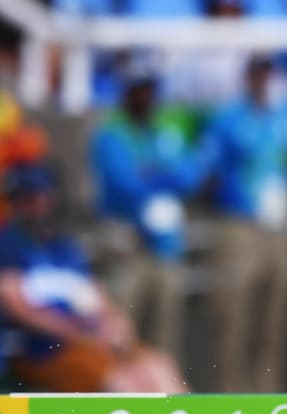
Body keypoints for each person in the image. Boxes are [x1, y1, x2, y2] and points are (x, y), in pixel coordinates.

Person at [0, 163, 185, 393]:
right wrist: (80, 332)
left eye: (44, 197)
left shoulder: (64, 246)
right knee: (123, 384)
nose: (40, 205)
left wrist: (114, 322)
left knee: (157, 367)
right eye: (30, 198)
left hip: (93, 338)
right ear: (17, 202)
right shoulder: (8, 246)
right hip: (48, 349)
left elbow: (94, 294)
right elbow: (17, 304)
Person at [90, 54, 204, 366]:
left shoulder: (164, 133)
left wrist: (154, 175)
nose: (145, 97)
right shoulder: (111, 135)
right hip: (129, 245)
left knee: (165, 334)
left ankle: (163, 403)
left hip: (166, 246)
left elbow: (190, 175)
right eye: (138, 90)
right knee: (121, 329)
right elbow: (122, 183)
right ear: (126, 93)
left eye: (149, 90)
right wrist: (162, 177)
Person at [201, 55, 287, 392]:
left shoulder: (282, 119)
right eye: (256, 74)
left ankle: (268, 399)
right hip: (240, 227)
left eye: (267, 74)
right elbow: (206, 167)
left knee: (272, 321)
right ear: (247, 78)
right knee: (233, 319)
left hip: (277, 228)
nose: (262, 81)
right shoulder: (227, 120)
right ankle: (230, 400)